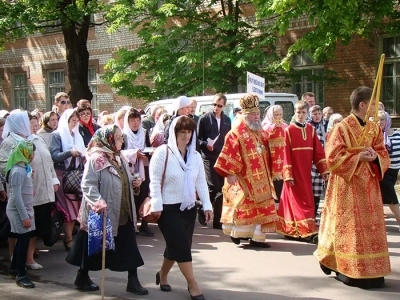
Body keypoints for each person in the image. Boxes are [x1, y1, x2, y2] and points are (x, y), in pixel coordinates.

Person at [315, 86, 390, 289]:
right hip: (347, 186)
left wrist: (375, 158)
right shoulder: (342, 128)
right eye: (373, 104)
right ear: (363, 105)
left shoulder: (374, 128)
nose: (376, 108)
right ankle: (345, 266)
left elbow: (383, 152)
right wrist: (358, 157)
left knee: (370, 227)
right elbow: (332, 158)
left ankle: (372, 268)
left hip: (370, 187)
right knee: (349, 228)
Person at [66, 125, 148, 294]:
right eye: (118, 138)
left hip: (123, 211)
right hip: (103, 213)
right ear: (108, 139)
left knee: (129, 246)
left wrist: (134, 182)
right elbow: (88, 184)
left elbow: (125, 178)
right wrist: (98, 202)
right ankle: (82, 276)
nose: (122, 140)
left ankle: (133, 281)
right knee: (94, 248)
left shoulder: (118, 157)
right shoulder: (96, 159)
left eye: (121, 137)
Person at [149, 116, 213, 300]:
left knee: (176, 245)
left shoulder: (195, 156)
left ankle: (162, 274)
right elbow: (154, 182)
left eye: (189, 132)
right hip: (167, 209)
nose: (186, 136)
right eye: (182, 132)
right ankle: (193, 284)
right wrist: (156, 204)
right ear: (174, 133)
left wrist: (207, 205)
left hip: (188, 208)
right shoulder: (162, 153)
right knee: (182, 246)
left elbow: (201, 183)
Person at [214, 94, 277, 248]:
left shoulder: (260, 132)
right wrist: (229, 173)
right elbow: (228, 153)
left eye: (258, 114)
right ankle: (238, 234)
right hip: (244, 179)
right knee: (244, 206)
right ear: (246, 115)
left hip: (262, 179)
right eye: (254, 114)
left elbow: (270, 146)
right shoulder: (235, 133)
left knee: (263, 206)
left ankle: (257, 238)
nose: (257, 117)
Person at [276, 101, 328, 244]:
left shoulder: (311, 130)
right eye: (298, 112)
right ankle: (305, 231)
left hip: (306, 172)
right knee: (297, 202)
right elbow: (285, 153)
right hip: (294, 173)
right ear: (294, 112)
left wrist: (324, 170)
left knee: (306, 200)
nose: (300, 115)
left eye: (303, 112)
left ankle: (296, 230)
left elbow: (318, 152)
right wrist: (288, 174)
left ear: (307, 114)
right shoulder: (289, 131)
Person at [25, 119, 60, 270]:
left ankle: (29, 256)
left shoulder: (38, 139)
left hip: (45, 189)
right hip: (32, 190)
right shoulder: (17, 142)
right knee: (30, 228)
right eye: (30, 123)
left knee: (39, 226)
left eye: (35, 123)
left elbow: (49, 162)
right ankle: (26, 258)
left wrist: (54, 179)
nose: (34, 126)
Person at [49, 109, 86, 251]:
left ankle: (70, 237)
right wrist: (70, 153)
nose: (75, 123)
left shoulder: (77, 135)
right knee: (67, 208)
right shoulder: (57, 135)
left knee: (74, 207)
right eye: (73, 121)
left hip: (75, 176)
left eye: (77, 121)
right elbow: (54, 156)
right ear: (66, 121)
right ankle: (68, 238)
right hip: (62, 175)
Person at [198, 93, 231, 229]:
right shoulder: (204, 119)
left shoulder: (227, 120)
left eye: (219, 105)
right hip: (208, 157)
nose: (216, 107)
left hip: (221, 157)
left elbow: (229, 139)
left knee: (222, 188)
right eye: (215, 105)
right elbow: (198, 139)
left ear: (224, 106)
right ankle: (202, 208)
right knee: (213, 186)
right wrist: (206, 145)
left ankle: (218, 220)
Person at [6, 140, 36, 288]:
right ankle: (21, 274)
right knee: (23, 241)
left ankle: (14, 268)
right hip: (19, 211)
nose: (33, 155)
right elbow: (16, 196)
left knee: (22, 239)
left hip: (25, 209)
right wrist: (24, 217)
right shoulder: (18, 171)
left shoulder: (24, 168)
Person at [378, 111, 400, 229]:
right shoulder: (376, 136)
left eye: (382, 119)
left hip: (395, 171)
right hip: (384, 171)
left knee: (381, 198)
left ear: (387, 120)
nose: (379, 122)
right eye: (377, 120)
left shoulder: (396, 133)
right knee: (392, 199)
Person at [262, 105, 288, 205]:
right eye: (276, 114)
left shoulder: (285, 127)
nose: (278, 117)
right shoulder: (266, 127)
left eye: (280, 114)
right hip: (271, 159)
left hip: (283, 159)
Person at [307, 105, 326, 219]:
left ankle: (314, 215)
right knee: (309, 188)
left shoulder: (322, 127)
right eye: (314, 114)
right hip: (310, 163)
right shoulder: (308, 127)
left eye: (319, 113)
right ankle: (309, 215)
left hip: (320, 162)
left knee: (318, 190)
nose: (317, 116)